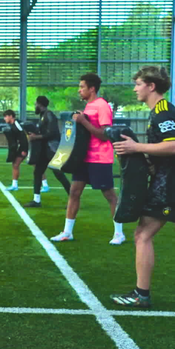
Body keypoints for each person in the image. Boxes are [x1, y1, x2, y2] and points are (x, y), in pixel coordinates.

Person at [110, 66, 175, 307]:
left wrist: (137, 148)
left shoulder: (163, 112)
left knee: (142, 234)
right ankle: (141, 294)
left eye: (138, 84)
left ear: (151, 86)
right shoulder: (159, 112)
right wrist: (148, 162)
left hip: (171, 188)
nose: (135, 88)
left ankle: (141, 295)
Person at [50, 73, 125, 245]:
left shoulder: (102, 106)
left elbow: (106, 135)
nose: (79, 90)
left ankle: (119, 233)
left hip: (100, 158)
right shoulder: (88, 106)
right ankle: (67, 232)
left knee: (110, 196)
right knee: (74, 192)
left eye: (82, 87)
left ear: (92, 88)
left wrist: (83, 121)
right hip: (83, 158)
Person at [24, 96, 71, 207]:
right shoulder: (43, 116)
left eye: (36, 104)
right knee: (37, 173)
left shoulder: (49, 115)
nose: (35, 106)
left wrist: (36, 137)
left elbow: (53, 133)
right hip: (45, 150)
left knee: (59, 174)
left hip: (52, 150)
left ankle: (73, 199)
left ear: (40, 104)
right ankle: (36, 200)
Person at [2, 110, 28, 191]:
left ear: (10, 116)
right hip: (22, 147)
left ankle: (45, 185)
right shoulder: (12, 125)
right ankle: (14, 185)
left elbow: (24, 136)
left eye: (5, 116)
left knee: (36, 166)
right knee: (15, 164)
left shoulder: (17, 124)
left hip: (27, 147)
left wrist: (24, 149)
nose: (4, 119)